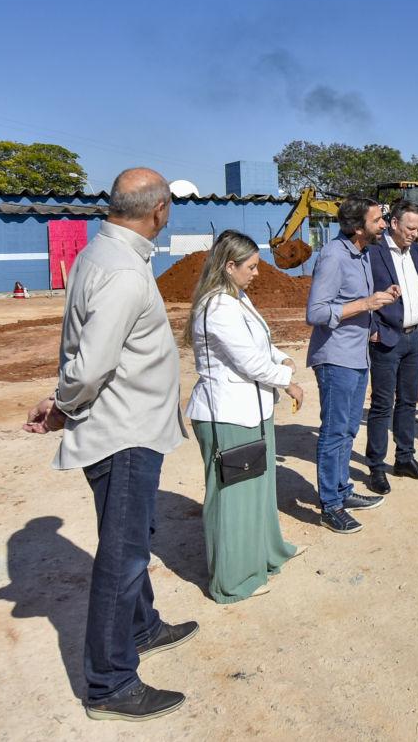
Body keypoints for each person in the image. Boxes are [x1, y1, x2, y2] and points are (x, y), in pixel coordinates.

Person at [23, 168, 196, 721]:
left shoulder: (101, 254)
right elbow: (92, 361)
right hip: (124, 434)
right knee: (122, 556)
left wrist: (62, 402)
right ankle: (109, 684)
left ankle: (142, 626)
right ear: (159, 210)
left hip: (126, 427)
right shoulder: (123, 271)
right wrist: (65, 406)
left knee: (133, 538)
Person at [184, 231, 308, 602]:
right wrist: (288, 381)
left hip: (250, 410)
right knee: (232, 498)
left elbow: (261, 345)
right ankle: (234, 580)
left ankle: (265, 555)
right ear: (229, 266)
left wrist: (280, 355)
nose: (257, 272)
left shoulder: (237, 298)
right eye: (251, 267)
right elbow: (247, 360)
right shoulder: (217, 307)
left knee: (257, 489)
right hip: (227, 414)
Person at [306, 196, 401, 533]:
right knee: (333, 432)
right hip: (335, 359)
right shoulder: (333, 256)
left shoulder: (360, 254)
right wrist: (366, 303)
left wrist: (378, 300)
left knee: (347, 429)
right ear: (358, 227)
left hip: (357, 356)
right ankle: (330, 505)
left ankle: (342, 490)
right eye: (378, 221)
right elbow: (315, 313)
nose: (384, 225)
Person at [363, 201, 418, 495]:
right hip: (386, 339)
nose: (415, 234)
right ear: (393, 223)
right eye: (410, 228)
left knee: (409, 401)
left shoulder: (416, 252)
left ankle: (405, 458)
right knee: (382, 405)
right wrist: (372, 330)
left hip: (413, 338)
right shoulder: (373, 252)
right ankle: (376, 467)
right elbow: (360, 291)